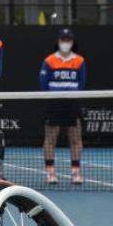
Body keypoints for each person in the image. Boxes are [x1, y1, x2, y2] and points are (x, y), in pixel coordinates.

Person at [39, 28, 86, 185]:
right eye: (63, 39)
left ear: (72, 42)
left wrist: (73, 95)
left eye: (68, 40)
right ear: (58, 42)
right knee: (51, 138)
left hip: (73, 102)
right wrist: (53, 95)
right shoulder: (49, 60)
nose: (65, 42)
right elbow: (43, 83)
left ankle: (76, 172)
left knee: (75, 138)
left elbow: (82, 82)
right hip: (54, 102)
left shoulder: (79, 61)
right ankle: (51, 173)